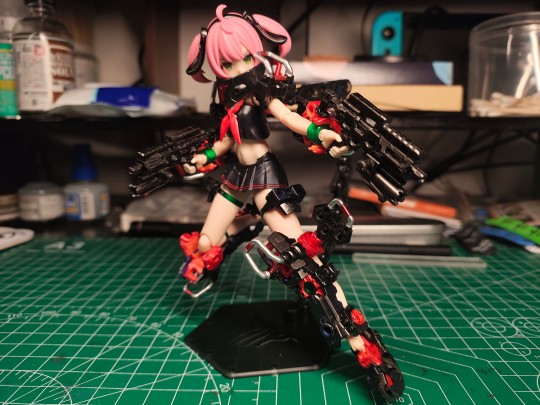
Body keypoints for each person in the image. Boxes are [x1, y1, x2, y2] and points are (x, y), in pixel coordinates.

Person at [179, 5, 404, 402]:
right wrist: (204, 157)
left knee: (302, 257)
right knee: (206, 243)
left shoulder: (262, 92)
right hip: (235, 177)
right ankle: (233, 239)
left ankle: (359, 340)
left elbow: (289, 118)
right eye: (228, 63)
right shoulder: (227, 97)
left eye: (246, 58)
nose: (239, 68)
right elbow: (227, 141)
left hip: (264, 175)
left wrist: (321, 133)